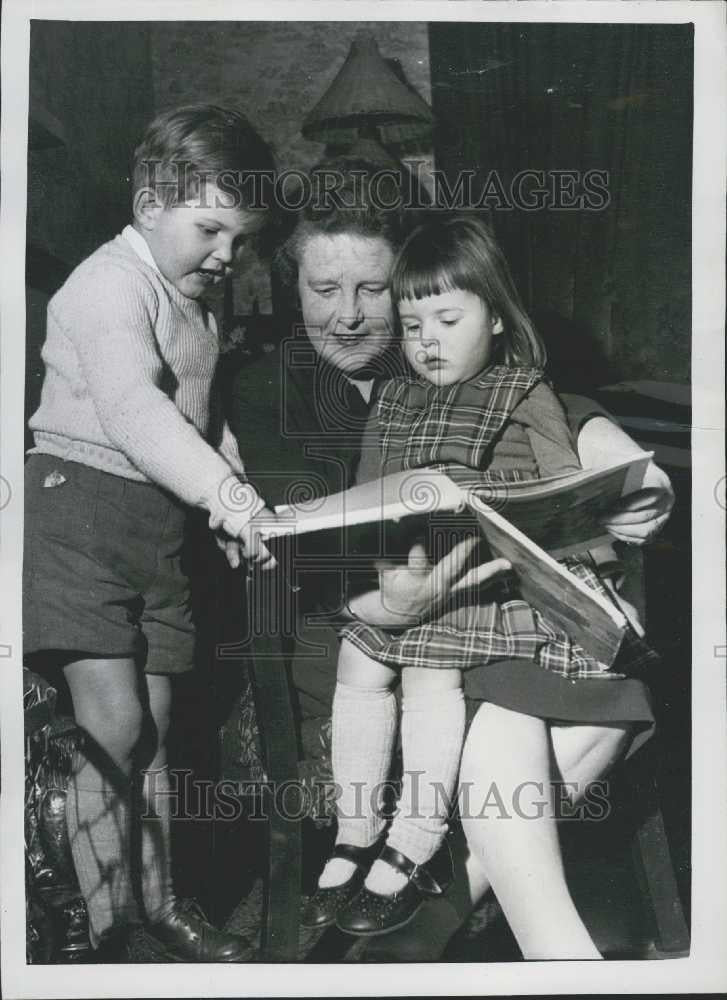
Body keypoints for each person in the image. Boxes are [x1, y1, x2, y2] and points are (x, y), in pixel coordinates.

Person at [225, 158, 674, 960]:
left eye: (373, 290)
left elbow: (535, 389)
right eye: (324, 291)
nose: (353, 318)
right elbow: (287, 553)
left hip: (485, 635)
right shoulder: (264, 396)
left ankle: (415, 925)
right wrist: (380, 608)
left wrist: (602, 438)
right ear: (290, 288)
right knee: (541, 721)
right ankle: (461, 910)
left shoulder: (424, 347)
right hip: (357, 658)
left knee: (537, 695)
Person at [23, 103, 278, 962]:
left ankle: (162, 904)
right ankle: (101, 925)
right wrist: (225, 495)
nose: (227, 255)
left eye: (242, 239)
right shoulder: (106, 285)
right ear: (147, 206)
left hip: (156, 524)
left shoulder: (198, 295)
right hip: (77, 511)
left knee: (164, 730)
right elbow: (134, 410)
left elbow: (200, 421)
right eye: (210, 229)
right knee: (116, 724)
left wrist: (229, 488)